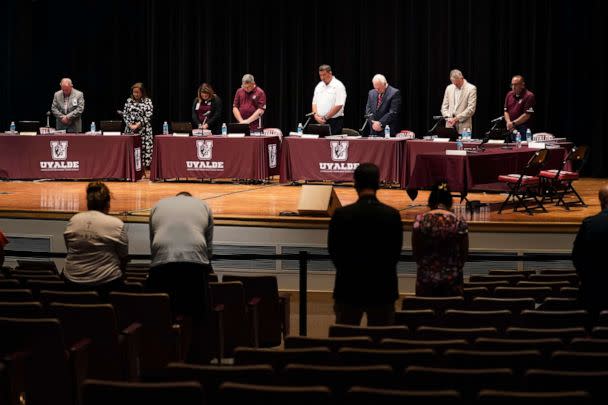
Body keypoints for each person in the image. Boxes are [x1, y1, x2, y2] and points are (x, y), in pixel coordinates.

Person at [328, 163, 403, 326]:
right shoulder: (392, 215)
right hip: (382, 286)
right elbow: (395, 254)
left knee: (345, 343)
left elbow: (334, 252)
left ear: (355, 184)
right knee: (381, 343)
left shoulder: (341, 214)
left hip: (348, 285)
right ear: (378, 184)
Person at [147, 191, 214, 362]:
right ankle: (197, 359)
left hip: (162, 263)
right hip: (194, 263)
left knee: (161, 312)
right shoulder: (203, 205)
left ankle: (161, 356)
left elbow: (153, 243)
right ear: (191, 199)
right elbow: (208, 248)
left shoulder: (158, 205)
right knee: (197, 313)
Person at [63, 182, 127, 299]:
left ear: (88, 202)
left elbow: (69, 249)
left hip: (71, 282)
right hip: (106, 284)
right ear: (107, 203)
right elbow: (123, 256)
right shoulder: (116, 224)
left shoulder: (73, 220)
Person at [412, 181, 468, 296]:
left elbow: (416, 253)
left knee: (425, 312)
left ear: (431, 201)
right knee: (451, 312)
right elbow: (463, 254)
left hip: (426, 279)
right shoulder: (459, 221)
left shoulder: (420, 220)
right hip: (452, 279)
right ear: (449, 201)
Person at [572, 185, 608, 320]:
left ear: (601, 201)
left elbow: (576, 257)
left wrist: (587, 279)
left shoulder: (589, 223)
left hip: (592, 291)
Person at [123, 82, 154, 170]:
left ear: (142, 92)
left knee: (143, 150)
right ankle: (131, 167)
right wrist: (130, 125)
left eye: (137, 92)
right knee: (131, 149)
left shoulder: (148, 101)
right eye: (134, 92)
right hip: (130, 129)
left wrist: (138, 124)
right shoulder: (129, 101)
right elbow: (125, 114)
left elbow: (149, 114)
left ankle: (143, 168)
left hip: (144, 130)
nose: (135, 94)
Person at [312, 64, 347, 135]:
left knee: (332, 144)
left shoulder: (338, 85)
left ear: (330, 73)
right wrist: (315, 115)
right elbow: (314, 103)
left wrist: (326, 117)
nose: (322, 78)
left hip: (334, 122)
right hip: (320, 121)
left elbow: (339, 105)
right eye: (320, 75)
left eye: (324, 75)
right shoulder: (319, 86)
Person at [440, 69, 477, 135]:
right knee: (448, 145)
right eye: (453, 83)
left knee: (462, 145)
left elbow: (471, 109)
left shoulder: (471, 88)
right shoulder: (449, 88)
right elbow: (444, 107)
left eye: (457, 83)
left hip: (464, 127)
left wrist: (456, 119)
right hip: (450, 125)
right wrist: (448, 118)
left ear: (462, 78)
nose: (455, 85)